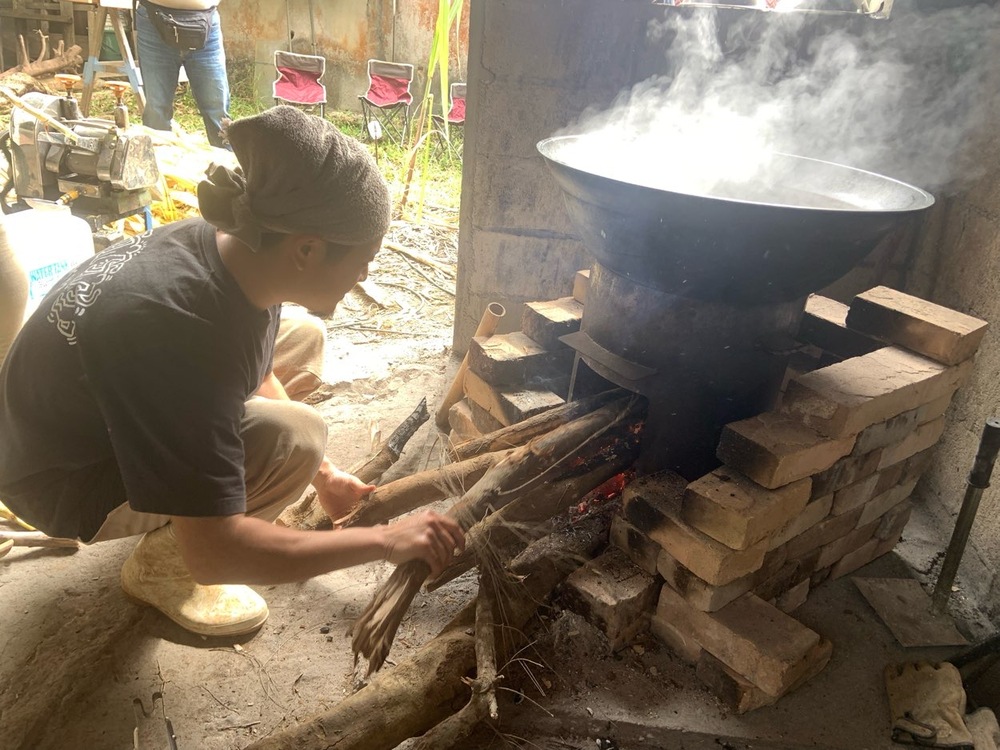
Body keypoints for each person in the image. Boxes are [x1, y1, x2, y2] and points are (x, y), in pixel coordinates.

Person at [0, 106, 465, 637]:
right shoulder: (181, 332)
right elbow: (217, 553)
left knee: (304, 338)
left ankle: (209, 483)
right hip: (60, 480)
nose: (363, 275)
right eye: (364, 259)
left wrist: (328, 477)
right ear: (307, 249)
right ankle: (161, 570)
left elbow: (253, 363)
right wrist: (385, 541)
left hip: (88, 411)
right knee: (296, 439)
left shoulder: (239, 248)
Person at [135, 0, 231, 148]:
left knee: (217, 110)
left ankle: (228, 160)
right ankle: (158, 160)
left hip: (206, 20)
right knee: (157, 110)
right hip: (153, 18)